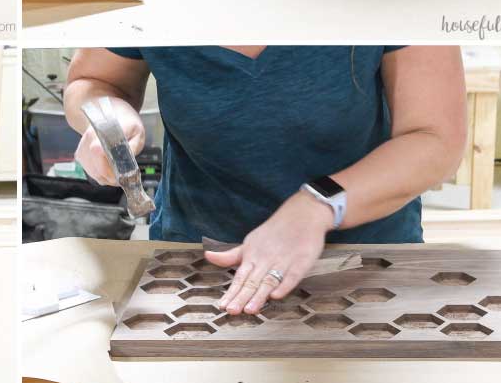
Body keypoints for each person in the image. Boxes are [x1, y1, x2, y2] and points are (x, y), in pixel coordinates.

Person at [65, 46, 465, 316]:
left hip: (364, 257)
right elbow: (93, 80)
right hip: (199, 261)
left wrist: (318, 205)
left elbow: (435, 140)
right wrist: (106, 116)